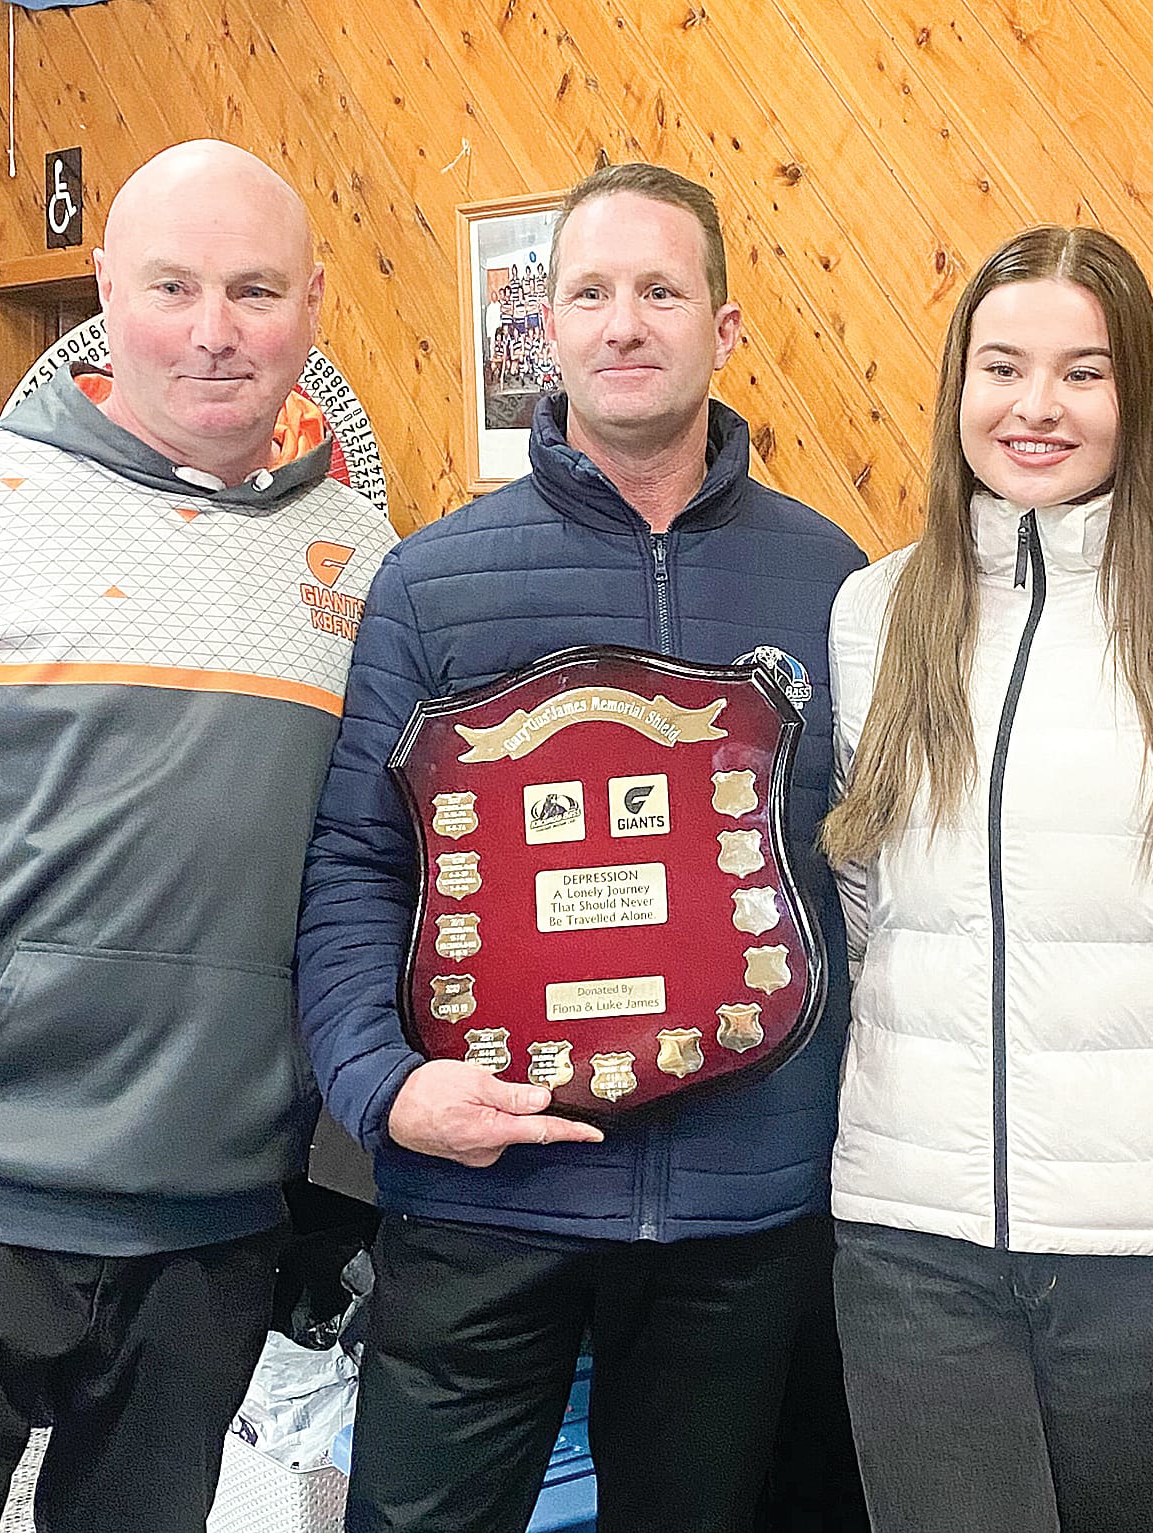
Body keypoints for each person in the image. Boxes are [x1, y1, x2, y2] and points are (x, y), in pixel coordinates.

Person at [0, 141, 394, 1532]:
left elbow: (368, 888)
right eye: (171, 285)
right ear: (102, 292)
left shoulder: (370, 568)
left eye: (254, 290)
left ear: (313, 304)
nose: (212, 329)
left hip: (209, 1233)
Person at [296, 161, 866, 1533]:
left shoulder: (831, 575)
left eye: (661, 290)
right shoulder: (430, 579)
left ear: (722, 329)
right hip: (487, 1189)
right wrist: (381, 1086)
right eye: (592, 292)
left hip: (741, 1205)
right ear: (541, 328)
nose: (625, 323)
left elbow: (859, 865)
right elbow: (356, 867)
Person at [821, 225, 1153, 1533]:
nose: (1034, 407)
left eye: (1081, 373)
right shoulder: (877, 610)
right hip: (914, 1239)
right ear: (956, 387)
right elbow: (863, 908)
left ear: (1134, 398)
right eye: (1001, 366)